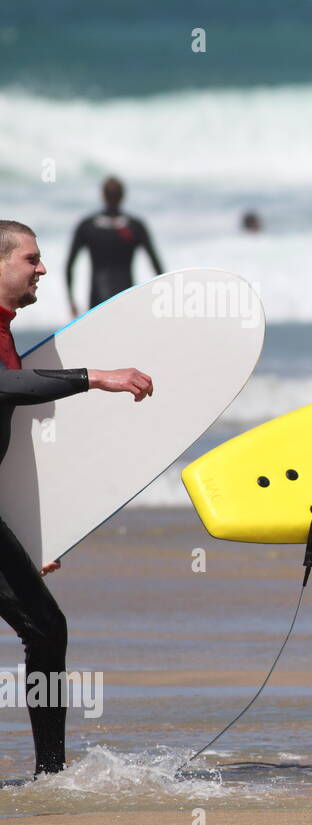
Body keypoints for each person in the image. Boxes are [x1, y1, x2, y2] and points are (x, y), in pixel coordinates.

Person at [0, 221, 153, 778]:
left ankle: (51, 772)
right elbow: (7, 385)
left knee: (44, 626)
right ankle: (51, 773)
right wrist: (95, 377)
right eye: (31, 259)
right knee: (44, 626)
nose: (41, 268)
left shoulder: (5, 328)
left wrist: (34, 533)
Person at [65, 176, 164, 318]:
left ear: (102, 195)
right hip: (127, 297)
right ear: (123, 195)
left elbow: (69, 265)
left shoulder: (87, 226)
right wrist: (160, 300)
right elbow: (156, 264)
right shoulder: (135, 226)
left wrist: (71, 301)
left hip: (97, 300)